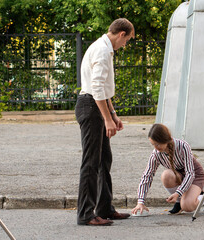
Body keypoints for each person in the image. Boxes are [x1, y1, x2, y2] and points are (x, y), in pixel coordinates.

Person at [75, 18, 135, 226]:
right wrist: (107, 119)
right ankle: (85, 214)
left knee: (103, 160)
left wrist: (113, 114)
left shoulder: (104, 48)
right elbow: (97, 88)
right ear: (121, 34)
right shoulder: (101, 50)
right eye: (127, 40)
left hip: (96, 105)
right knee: (91, 163)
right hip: (91, 107)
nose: (125, 45)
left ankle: (104, 208)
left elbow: (104, 89)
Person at [131, 123, 204, 216]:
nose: (155, 148)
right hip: (178, 175)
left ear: (165, 140)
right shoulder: (156, 154)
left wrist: (178, 193)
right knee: (166, 175)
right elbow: (147, 176)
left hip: (194, 175)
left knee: (188, 206)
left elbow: (190, 174)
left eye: (157, 144)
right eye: (153, 144)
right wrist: (140, 202)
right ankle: (179, 202)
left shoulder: (183, 146)